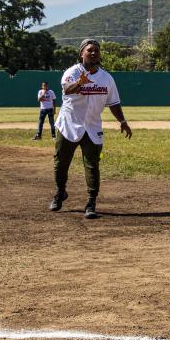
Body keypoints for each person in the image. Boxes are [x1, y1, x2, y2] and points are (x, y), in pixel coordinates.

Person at [50, 39, 132, 219]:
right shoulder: (72, 72)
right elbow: (67, 90)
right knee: (61, 163)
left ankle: (91, 202)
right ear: (82, 54)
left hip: (93, 126)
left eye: (96, 50)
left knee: (92, 165)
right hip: (69, 125)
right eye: (90, 50)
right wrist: (81, 81)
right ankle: (60, 192)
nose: (94, 53)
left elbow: (114, 103)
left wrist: (123, 121)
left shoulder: (107, 78)